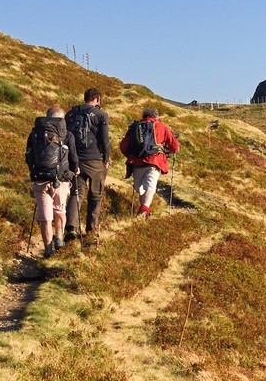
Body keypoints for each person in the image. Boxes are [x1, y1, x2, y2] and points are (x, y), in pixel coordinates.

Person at [26, 104, 79, 257]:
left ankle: (48, 250)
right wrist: (75, 169)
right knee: (60, 211)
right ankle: (60, 238)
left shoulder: (35, 133)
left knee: (45, 217)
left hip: (41, 179)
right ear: (62, 119)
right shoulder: (68, 135)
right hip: (61, 180)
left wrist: (34, 171)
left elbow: (29, 155)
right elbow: (74, 159)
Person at [64, 87, 110, 243]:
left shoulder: (71, 113)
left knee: (76, 193)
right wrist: (106, 158)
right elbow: (104, 140)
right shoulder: (101, 115)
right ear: (97, 99)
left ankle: (71, 227)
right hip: (95, 160)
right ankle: (91, 229)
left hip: (74, 159)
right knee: (95, 195)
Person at [120, 106, 180, 216]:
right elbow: (174, 145)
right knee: (150, 186)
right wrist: (174, 149)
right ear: (156, 116)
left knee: (140, 188)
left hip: (137, 162)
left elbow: (123, 146)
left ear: (143, 116)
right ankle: (144, 209)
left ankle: (144, 210)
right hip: (154, 161)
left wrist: (130, 156)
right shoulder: (161, 126)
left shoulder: (134, 127)